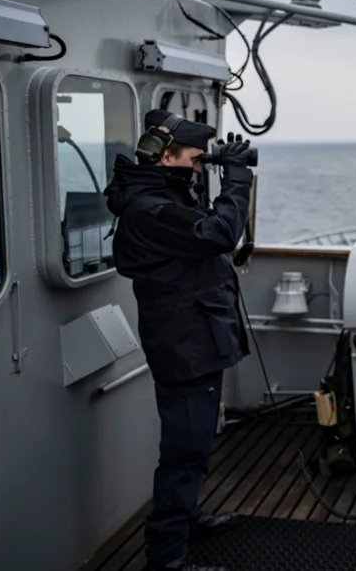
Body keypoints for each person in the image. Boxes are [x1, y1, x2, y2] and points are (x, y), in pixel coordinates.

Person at [103, 109, 254, 571]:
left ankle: (185, 518)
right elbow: (221, 233)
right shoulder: (151, 210)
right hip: (184, 347)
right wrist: (236, 178)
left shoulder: (162, 196)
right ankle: (167, 556)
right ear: (165, 157)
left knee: (193, 445)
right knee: (184, 452)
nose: (196, 168)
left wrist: (211, 175)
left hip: (193, 341)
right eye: (192, 160)